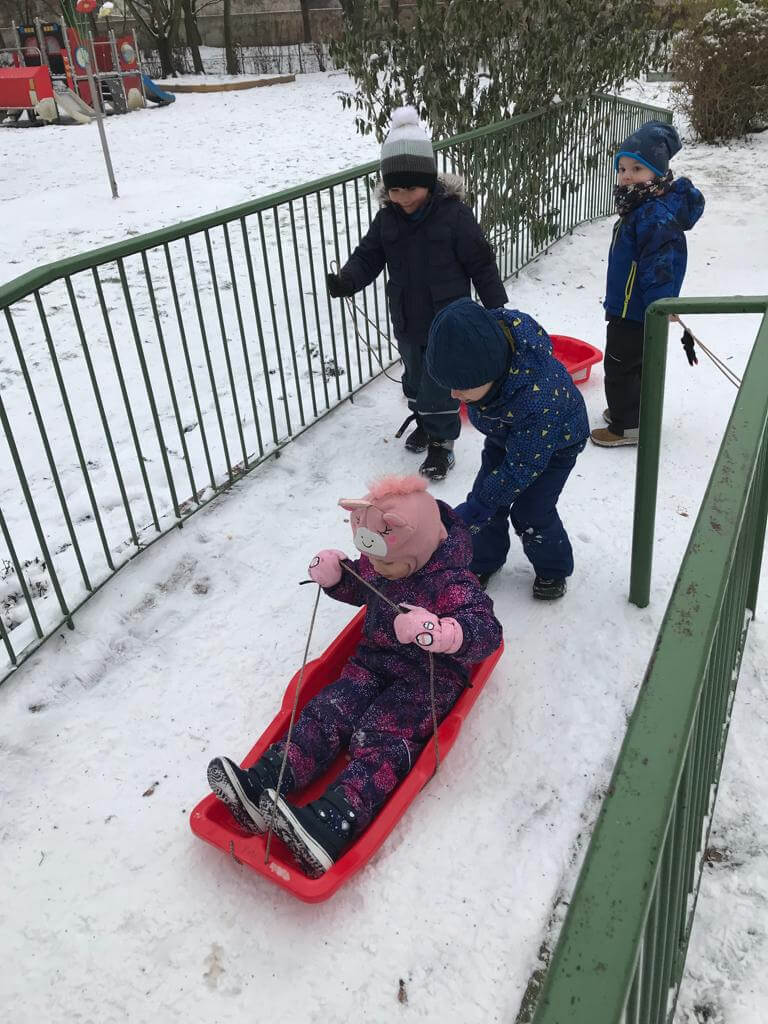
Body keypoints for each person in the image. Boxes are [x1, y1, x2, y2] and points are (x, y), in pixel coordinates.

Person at [207, 475, 502, 877]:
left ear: (417, 549)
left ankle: (332, 821)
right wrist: (339, 578)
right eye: (371, 560)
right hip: (372, 661)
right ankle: (263, 782)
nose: (375, 568)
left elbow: (486, 631)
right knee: (329, 712)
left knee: (382, 737)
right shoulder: (383, 557)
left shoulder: (451, 582)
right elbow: (362, 585)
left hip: (425, 680)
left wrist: (441, 632)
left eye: (384, 564)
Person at [326, 106, 507, 481]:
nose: (402, 196)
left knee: (440, 386)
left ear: (428, 181)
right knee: (413, 380)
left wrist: (497, 307)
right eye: (395, 189)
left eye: (410, 187)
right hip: (407, 318)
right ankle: (424, 423)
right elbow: (369, 256)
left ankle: (442, 443)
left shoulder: (454, 216)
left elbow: (480, 262)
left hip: (447, 321)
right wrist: (347, 280)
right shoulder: (387, 219)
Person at [426, 298, 589, 599]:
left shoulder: (538, 399)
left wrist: (479, 505)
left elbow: (523, 465)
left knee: (531, 512)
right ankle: (484, 560)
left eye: (462, 386)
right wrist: (482, 503)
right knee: (487, 498)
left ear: (491, 372)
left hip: (555, 447)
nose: (454, 394)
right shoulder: (486, 347)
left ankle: (553, 569)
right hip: (505, 434)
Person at [591, 121, 705, 447]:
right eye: (622, 168)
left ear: (657, 173)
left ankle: (627, 427)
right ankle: (631, 413)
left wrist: (661, 304)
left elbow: (660, 266)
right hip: (628, 305)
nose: (626, 176)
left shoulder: (653, 215)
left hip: (637, 310)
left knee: (620, 367)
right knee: (632, 366)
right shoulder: (639, 206)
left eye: (637, 169)